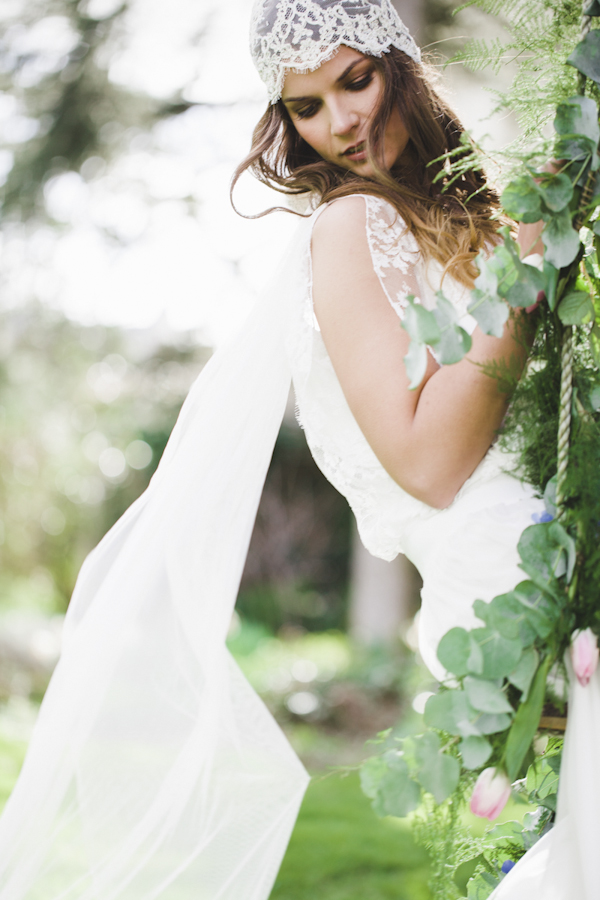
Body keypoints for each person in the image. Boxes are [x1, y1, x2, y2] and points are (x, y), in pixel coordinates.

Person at [0, 2, 588, 899]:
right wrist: (519, 287)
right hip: (510, 573)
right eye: (308, 107)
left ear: (402, 64)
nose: (341, 122)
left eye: (355, 80)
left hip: (553, 543)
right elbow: (426, 464)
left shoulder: (452, 213)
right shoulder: (350, 226)